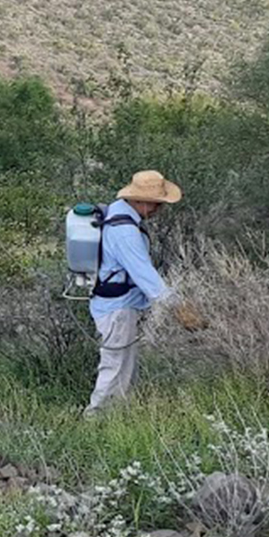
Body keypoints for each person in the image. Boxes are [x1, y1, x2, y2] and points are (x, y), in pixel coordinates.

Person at [85, 169, 181, 414]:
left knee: (124, 364)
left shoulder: (119, 211)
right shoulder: (125, 232)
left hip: (116, 303)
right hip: (116, 308)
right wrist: (177, 308)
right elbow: (144, 275)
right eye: (156, 204)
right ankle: (95, 420)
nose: (159, 209)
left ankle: (119, 416)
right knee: (115, 364)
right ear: (139, 200)